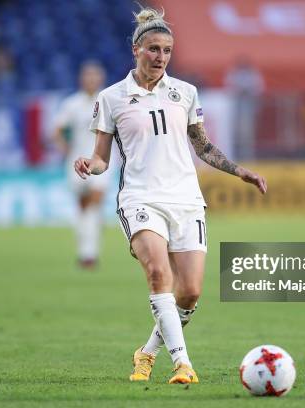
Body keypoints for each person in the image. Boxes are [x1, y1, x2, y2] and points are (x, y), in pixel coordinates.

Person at [74, 7, 266, 384]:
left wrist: (240, 172)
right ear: (136, 50)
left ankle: (147, 353)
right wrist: (88, 164)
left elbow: (203, 146)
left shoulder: (186, 93)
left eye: (166, 51)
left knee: (190, 291)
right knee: (158, 274)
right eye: (153, 49)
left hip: (186, 200)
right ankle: (183, 364)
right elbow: (101, 158)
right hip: (140, 199)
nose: (160, 57)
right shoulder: (112, 99)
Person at [53, 61, 109, 269]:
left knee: (95, 202)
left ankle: (89, 254)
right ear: (81, 79)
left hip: (101, 161)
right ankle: (85, 248)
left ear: (101, 79)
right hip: (76, 163)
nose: (91, 80)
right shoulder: (72, 104)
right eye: (88, 76)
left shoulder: (108, 101)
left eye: (95, 76)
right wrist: (65, 149)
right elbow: (57, 130)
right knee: (83, 207)